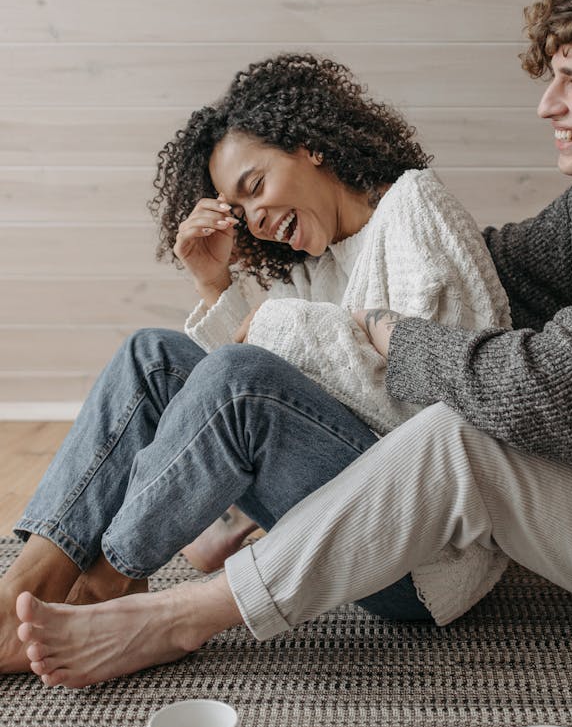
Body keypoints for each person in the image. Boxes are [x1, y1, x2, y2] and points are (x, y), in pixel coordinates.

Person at [9, 0, 572, 690]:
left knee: (459, 437)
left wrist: (384, 332)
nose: (545, 104)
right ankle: (24, 584)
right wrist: (300, 267)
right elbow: (483, 271)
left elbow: (570, 401)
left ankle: (168, 617)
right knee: (157, 356)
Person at [0, 53, 510, 676]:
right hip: (339, 520)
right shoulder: (317, 266)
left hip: (422, 550)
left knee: (241, 380)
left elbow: (459, 403)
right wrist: (215, 284)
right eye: (242, 212)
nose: (257, 219)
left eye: (256, 186)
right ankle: (26, 586)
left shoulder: (415, 206)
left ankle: (106, 584)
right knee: (152, 356)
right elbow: (218, 422)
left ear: (310, 148)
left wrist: (270, 324)